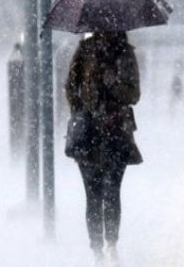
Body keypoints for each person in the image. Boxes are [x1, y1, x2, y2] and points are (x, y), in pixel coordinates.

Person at [65, 30, 142, 267]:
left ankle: (111, 244)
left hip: (116, 132)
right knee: (93, 194)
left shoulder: (126, 54)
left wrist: (114, 85)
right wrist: (82, 111)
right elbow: (70, 86)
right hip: (88, 136)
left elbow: (134, 94)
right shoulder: (84, 50)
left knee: (111, 191)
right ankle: (97, 249)